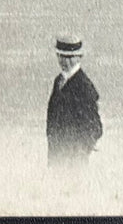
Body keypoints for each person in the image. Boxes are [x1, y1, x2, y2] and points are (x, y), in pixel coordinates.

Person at [46, 35, 102, 166]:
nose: (64, 61)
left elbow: (96, 128)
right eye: (61, 56)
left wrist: (78, 152)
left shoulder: (84, 86)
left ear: (79, 57)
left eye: (70, 57)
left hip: (73, 164)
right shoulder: (58, 81)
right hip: (55, 160)